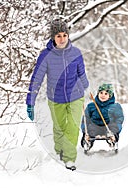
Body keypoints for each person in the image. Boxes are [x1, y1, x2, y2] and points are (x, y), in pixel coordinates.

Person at [26, 19, 89, 171]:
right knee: (59, 127)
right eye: (58, 36)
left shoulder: (76, 53)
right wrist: (30, 101)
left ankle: (69, 158)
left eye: (64, 35)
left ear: (68, 36)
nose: (62, 39)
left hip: (76, 96)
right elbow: (36, 79)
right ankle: (59, 150)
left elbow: (82, 74)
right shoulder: (45, 56)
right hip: (56, 98)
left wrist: (84, 86)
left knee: (73, 127)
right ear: (53, 37)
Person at [81, 83, 124, 149]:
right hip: (95, 126)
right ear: (98, 93)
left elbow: (119, 118)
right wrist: (85, 130)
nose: (103, 95)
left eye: (106, 94)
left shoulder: (115, 106)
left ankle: (112, 140)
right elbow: (86, 118)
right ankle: (88, 141)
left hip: (108, 127)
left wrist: (117, 127)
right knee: (90, 128)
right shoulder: (91, 106)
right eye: (101, 93)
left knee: (113, 127)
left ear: (110, 96)